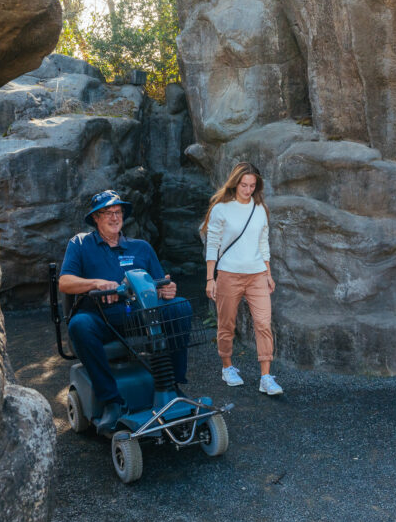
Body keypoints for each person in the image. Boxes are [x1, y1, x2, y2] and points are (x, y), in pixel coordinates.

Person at [59, 190, 189, 432]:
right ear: (95, 218)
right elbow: (65, 282)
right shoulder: (80, 244)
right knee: (79, 325)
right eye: (107, 213)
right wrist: (96, 283)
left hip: (138, 316)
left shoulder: (141, 247)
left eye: (117, 212)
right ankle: (111, 401)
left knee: (179, 307)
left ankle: (172, 385)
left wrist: (167, 289)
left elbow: (161, 284)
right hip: (100, 317)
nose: (114, 216)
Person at [202, 162, 282, 395]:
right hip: (229, 274)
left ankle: (266, 377)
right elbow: (213, 245)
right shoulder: (221, 208)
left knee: (263, 323)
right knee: (226, 324)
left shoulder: (260, 209)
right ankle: (227, 366)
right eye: (244, 185)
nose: (247, 189)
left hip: (257, 274)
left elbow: (263, 242)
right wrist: (210, 278)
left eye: (252, 185)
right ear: (235, 183)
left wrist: (268, 273)